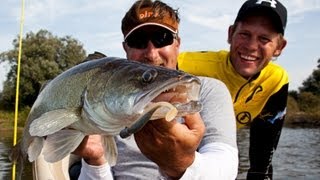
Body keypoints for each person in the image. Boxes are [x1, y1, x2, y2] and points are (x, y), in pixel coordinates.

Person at [73, 0, 238, 179]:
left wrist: (180, 165)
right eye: (138, 41)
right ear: (125, 48)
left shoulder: (208, 91)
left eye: (162, 38)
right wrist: (96, 161)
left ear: (177, 44)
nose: (151, 54)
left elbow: (225, 167)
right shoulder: (107, 98)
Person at [178, 0, 288, 179]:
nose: (251, 46)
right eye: (244, 34)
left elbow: (262, 159)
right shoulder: (186, 64)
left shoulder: (276, 81)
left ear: (279, 47)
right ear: (230, 34)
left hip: (216, 151)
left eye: (264, 39)